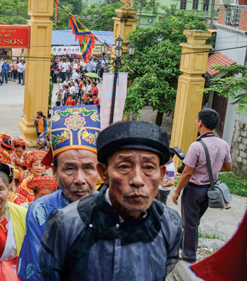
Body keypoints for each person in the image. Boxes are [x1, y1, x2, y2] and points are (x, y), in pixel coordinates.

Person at [39, 120, 182, 281]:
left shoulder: (169, 223)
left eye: (148, 167)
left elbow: (164, 268)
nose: (137, 180)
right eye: (124, 167)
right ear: (104, 172)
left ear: (162, 174)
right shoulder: (68, 223)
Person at [18, 105, 101, 281]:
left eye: (88, 168)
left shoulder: (115, 211)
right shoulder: (40, 210)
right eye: (69, 169)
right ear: (54, 171)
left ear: (99, 170)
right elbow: (34, 270)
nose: (80, 179)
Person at [172, 108, 233, 263]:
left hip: (194, 190)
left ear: (200, 123)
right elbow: (228, 167)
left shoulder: (196, 146)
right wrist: (211, 169)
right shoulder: (223, 144)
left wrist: (177, 191)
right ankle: (184, 245)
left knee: (190, 223)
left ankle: (188, 255)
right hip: (211, 190)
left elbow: (186, 173)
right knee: (193, 221)